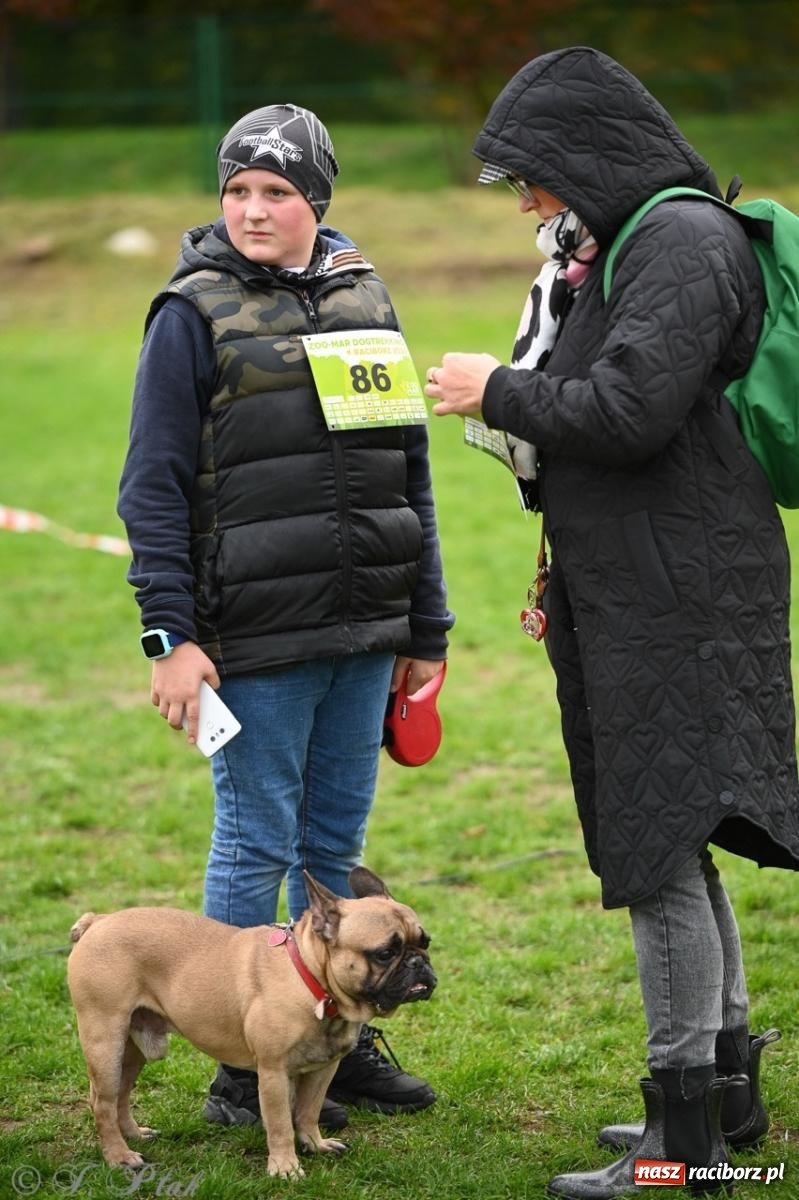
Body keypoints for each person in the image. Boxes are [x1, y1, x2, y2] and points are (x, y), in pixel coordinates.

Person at [426, 46, 799, 1199]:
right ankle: (724, 1094)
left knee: (656, 845)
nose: (529, 202)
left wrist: (493, 389)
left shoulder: (679, 241)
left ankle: (679, 1137)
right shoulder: (631, 243)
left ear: (587, 154)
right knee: (676, 832)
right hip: (649, 580)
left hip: (677, 595)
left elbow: (630, 411)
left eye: (534, 177)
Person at [118, 103, 453, 1132]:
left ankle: (330, 1036)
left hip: (363, 630)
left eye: (278, 192)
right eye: (238, 191)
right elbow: (153, 485)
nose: (255, 209)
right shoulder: (191, 311)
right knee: (256, 840)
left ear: (318, 200)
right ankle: (238, 1064)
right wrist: (171, 638)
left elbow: (408, 469)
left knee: (333, 842)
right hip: (251, 636)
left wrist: (423, 625)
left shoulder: (365, 295)